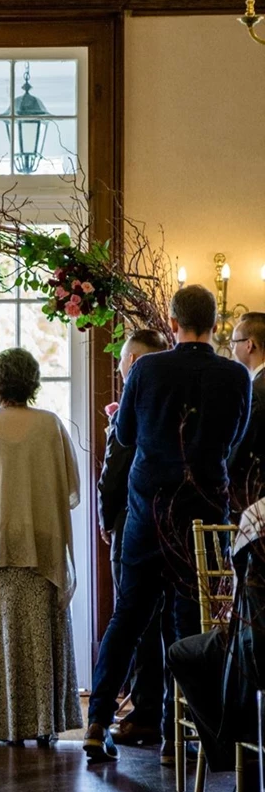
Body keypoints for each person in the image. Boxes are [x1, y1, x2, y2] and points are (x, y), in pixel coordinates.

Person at [84, 285, 252, 763]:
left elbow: (126, 435)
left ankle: (97, 722)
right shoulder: (235, 375)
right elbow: (235, 441)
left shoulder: (148, 369)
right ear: (215, 324)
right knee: (191, 626)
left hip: (146, 514)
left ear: (173, 324)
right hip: (201, 515)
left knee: (127, 620)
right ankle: (186, 739)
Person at [0, 347, 82, 744]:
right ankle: (45, 724)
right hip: (42, 545)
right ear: (33, 382)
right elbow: (71, 488)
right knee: (42, 634)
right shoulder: (51, 425)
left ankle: (0, 724)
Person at [167, 496, 265, 792]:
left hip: (254, 650)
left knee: (182, 654)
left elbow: (241, 602)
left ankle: (243, 768)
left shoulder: (258, 519)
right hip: (252, 642)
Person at [98, 329, 169, 746]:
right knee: (158, 622)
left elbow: (117, 468)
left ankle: (143, 712)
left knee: (135, 620)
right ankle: (152, 709)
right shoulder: (169, 402)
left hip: (132, 520)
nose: (122, 370)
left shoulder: (136, 402)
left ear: (138, 361)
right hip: (165, 522)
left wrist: (108, 518)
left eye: (125, 361)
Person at [229, 312, 265, 511]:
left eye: (234, 342)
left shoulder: (257, 391)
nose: (232, 348)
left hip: (256, 495)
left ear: (249, 345)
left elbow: (243, 445)